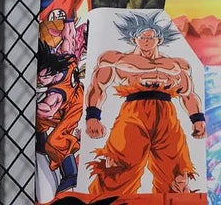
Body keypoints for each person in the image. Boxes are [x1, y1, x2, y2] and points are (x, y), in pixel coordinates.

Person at [84, 11, 205, 195]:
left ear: (159, 39)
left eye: (151, 37)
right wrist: (93, 117)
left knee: (177, 175)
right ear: (134, 39)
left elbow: (188, 95)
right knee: (118, 169)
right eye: (142, 37)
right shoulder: (116, 60)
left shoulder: (176, 66)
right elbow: (97, 87)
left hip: (167, 117)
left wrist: (197, 119)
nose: (146, 41)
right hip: (134, 114)